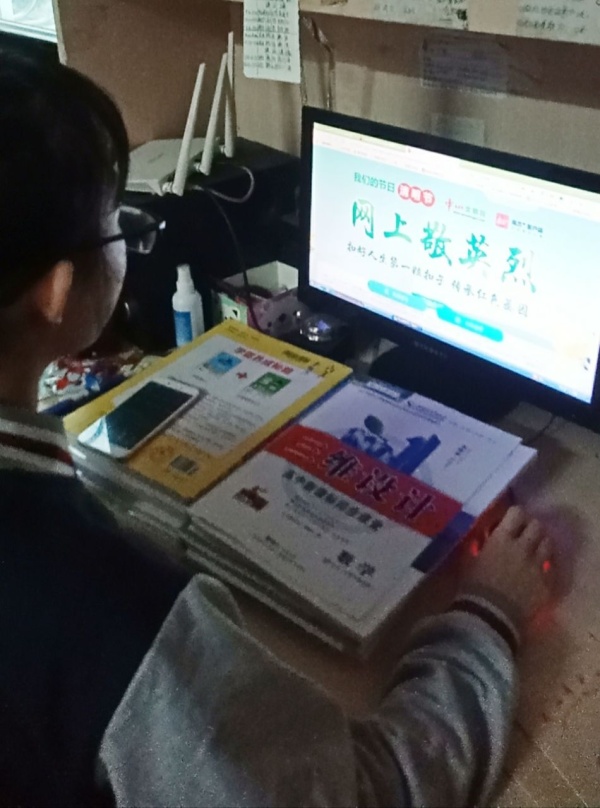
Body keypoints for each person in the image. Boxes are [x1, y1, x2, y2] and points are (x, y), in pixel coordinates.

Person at [0, 46, 555, 807]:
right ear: (56, 291)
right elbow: (370, 792)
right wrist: (489, 613)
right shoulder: (114, 617)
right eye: (116, 222)